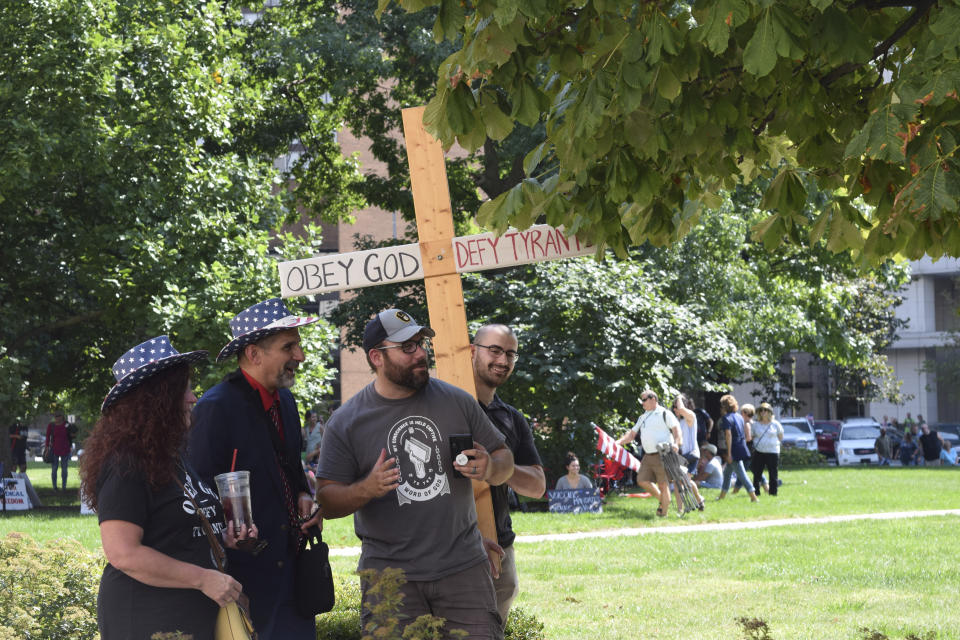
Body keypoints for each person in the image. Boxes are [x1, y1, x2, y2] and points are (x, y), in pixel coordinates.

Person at [315, 308, 514, 639]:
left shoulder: (457, 402)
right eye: (407, 347)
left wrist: (491, 467)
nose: (421, 353)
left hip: (463, 572)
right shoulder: (347, 421)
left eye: (421, 343)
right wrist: (366, 488)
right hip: (389, 580)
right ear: (376, 357)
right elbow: (327, 500)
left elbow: (504, 456)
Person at [80, 336, 258, 640]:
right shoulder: (127, 463)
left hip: (192, 617)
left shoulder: (170, 454)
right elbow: (123, 553)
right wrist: (202, 578)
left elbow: (178, 531)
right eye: (184, 389)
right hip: (147, 619)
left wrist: (223, 538)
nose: (193, 398)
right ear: (158, 398)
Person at [187, 298, 322, 639]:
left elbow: (291, 469)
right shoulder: (215, 408)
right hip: (245, 583)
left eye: (299, 345)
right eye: (289, 347)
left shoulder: (287, 401)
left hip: (294, 577)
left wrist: (306, 496)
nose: (301, 356)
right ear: (254, 354)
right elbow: (196, 495)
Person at [471, 323, 545, 628]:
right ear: (472, 351)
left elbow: (538, 487)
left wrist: (499, 467)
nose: (503, 360)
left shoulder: (512, 419)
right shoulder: (440, 408)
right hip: (447, 551)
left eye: (510, 354)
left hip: (501, 549)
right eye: (495, 350)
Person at [616, 389, 681, 517]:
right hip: (648, 455)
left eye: (644, 400)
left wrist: (677, 443)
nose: (642, 403)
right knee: (641, 480)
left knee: (663, 484)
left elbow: (676, 429)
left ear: (653, 399)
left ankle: (663, 514)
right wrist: (616, 443)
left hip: (663, 453)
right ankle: (664, 500)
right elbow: (631, 435)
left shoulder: (664, 413)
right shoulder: (643, 417)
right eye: (642, 401)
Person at [716, 394, 758, 502]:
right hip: (741, 446)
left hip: (733, 449)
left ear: (724, 407)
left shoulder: (726, 419)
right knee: (727, 473)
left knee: (741, 474)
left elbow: (728, 435)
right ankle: (722, 496)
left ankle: (753, 497)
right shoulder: (739, 417)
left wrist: (729, 453)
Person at [671, 394, 706, 507]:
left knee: (681, 481)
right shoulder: (678, 422)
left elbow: (681, 409)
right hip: (682, 456)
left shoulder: (691, 416)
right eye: (674, 408)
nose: (675, 410)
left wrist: (679, 398)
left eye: (676, 407)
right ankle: (697, 500)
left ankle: (688, 505)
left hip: (691, 454)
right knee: (682, 482)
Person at [750, 403, 783, 495]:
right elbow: (752, 436)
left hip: (773, 452)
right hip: (759, 451)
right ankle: (756, 493)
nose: (763, 412)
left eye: (765, 410)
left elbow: (780, 436)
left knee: (773, 474)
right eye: (761, 410)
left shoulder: (775, 424)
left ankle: (773, 493)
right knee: (757, 474)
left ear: (770, 412)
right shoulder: (755, 424)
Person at [45, 411, 72, 490]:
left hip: (65, 449)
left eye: (58, 415)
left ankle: (64, 487)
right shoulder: (51, 425)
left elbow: (71, 434)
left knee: (64, 469)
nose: (57, 417)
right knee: (54, 469)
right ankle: (54, 487)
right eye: (55, 416)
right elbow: (47, 437)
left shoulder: (66, 424)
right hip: (54, 450)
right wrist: (47, 448)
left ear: (62, 416)